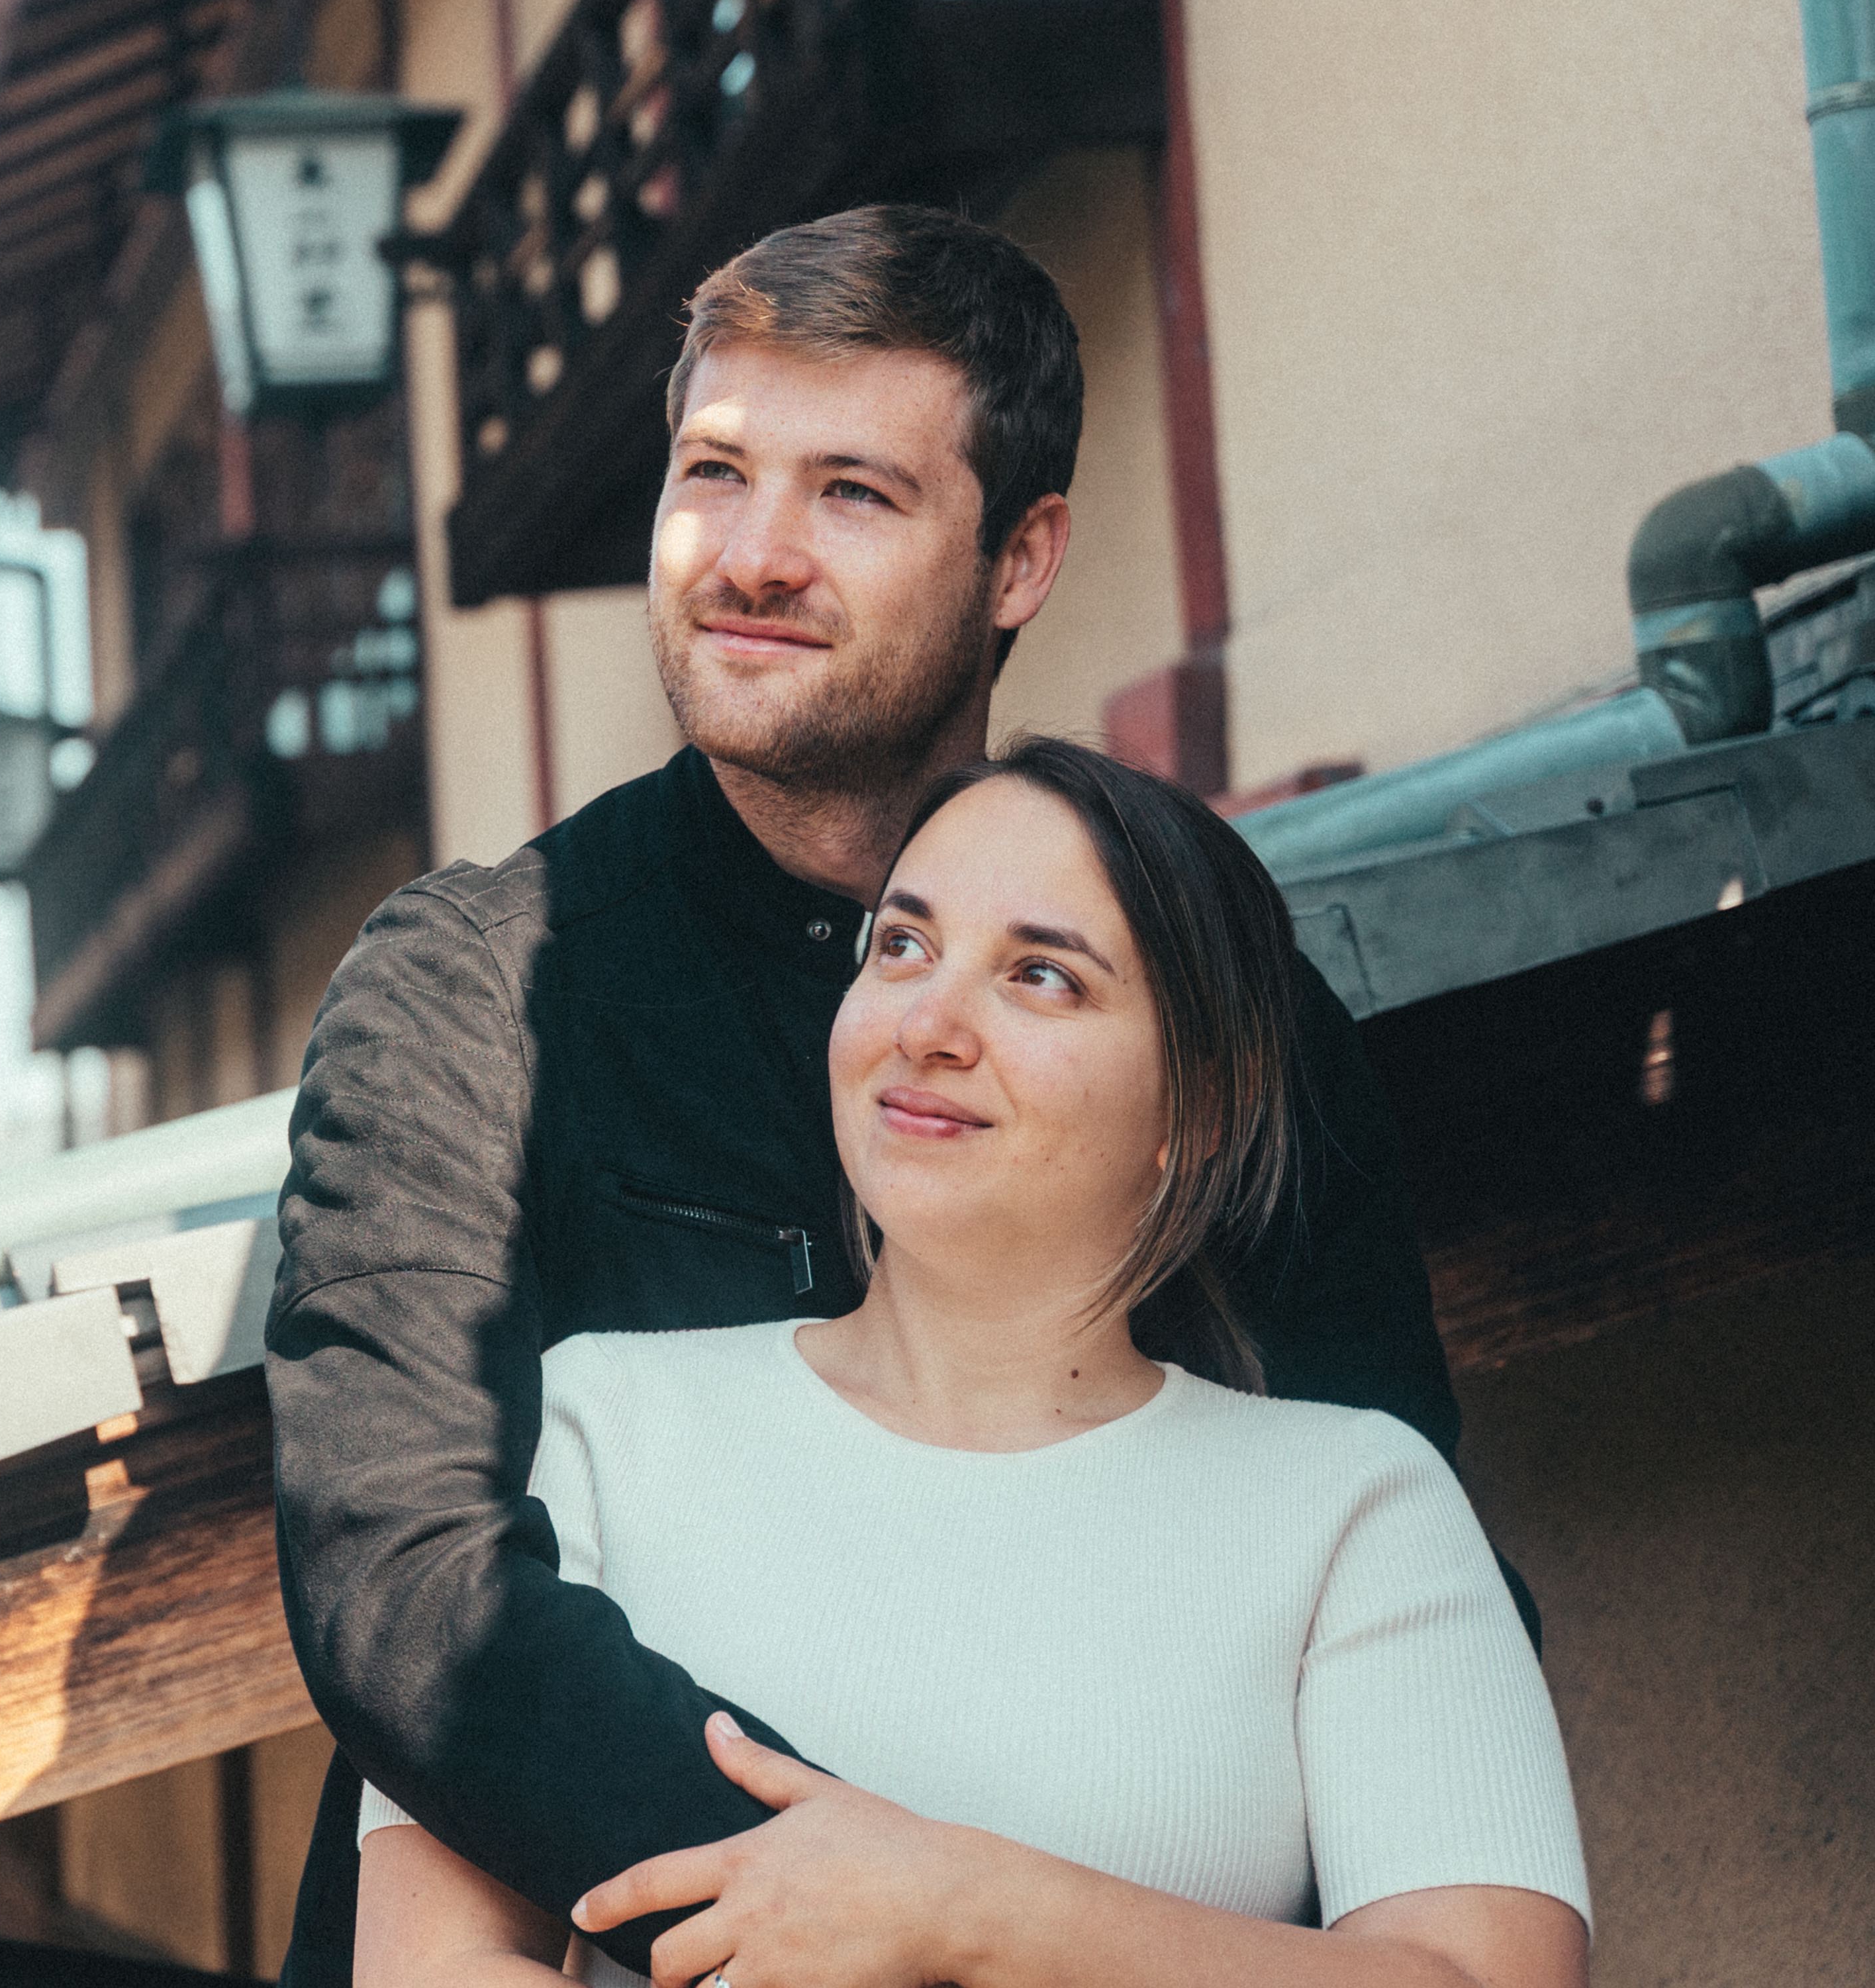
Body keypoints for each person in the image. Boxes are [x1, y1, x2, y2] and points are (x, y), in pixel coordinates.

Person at [267, 206, 1478, 1983]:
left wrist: (1017, 1925)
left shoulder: (1221, 1021)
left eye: (850, 493)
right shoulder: (469, 991)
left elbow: (1370, 1553)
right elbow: (407, 1592)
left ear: (1017, 558)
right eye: (711, 473)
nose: (749, 554)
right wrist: (856, 1907)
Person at [354, 737, 1588, 1986]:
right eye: (901, 945)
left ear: (1199, 1112)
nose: (929, 1023)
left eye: (1041, 976)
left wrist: (973, 1905)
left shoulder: (1352, 1505)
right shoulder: (598, 1425)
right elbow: (429, 1969)